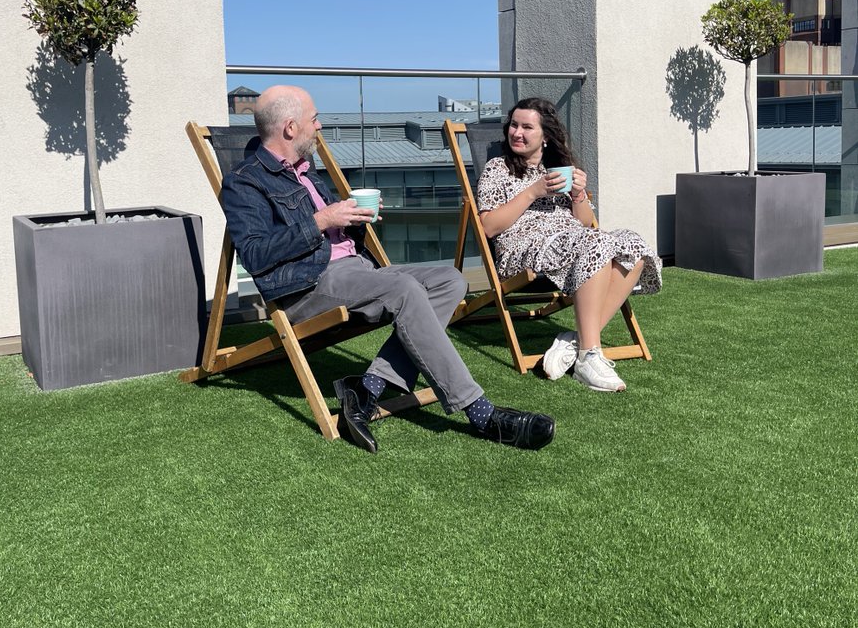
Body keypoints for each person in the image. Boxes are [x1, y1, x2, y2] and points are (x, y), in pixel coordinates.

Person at [221, 86, 554, 453]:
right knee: (404, 291)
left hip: (354, 270)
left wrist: (353, 219)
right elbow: (255, 255)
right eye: (314, 119)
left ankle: (367, 388)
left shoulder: (304, 169)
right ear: (289, 128)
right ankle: (481, 413)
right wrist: (321, 220)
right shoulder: (244, 182)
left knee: (450, 280)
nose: (319, 127)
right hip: (308, 286)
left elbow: (334, 232)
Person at [476, 97, 662, 393]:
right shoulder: (498, 168)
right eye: (514, 125)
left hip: (573, 241)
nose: (517, 133)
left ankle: (574, 342)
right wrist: (532, 192)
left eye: (527, 127)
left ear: (545, 136)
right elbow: (488, 226)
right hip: (524, 249)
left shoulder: (559, 168)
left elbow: (586, 222)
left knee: (633, 247)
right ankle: (589, 355)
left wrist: (578, 194)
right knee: (595, 244)